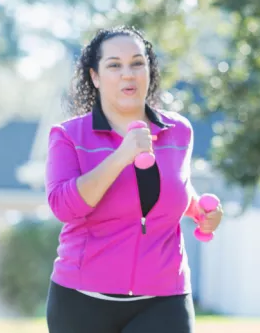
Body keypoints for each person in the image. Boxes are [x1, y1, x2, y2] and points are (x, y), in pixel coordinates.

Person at [44, 25, 223, 333]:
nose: (128, 74)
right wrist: (120, 157)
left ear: (149, 71)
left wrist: (201, 211)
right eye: (114, 65)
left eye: (137, 63)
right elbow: (64, 207)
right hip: (82, 301)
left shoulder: (178, 131)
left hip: (164, 299)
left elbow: (172, 187)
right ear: (95, 77)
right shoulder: (69, 136)